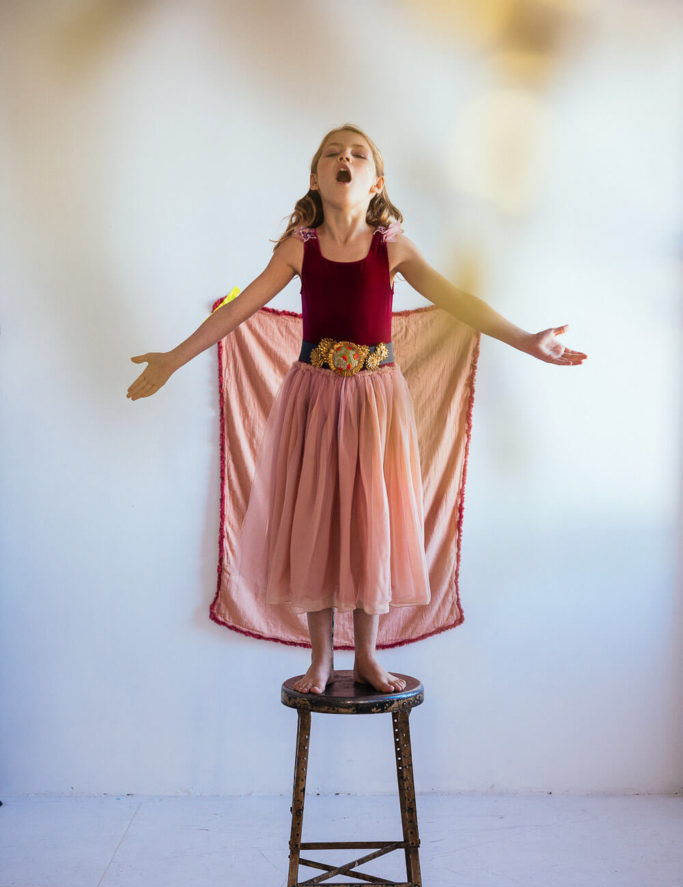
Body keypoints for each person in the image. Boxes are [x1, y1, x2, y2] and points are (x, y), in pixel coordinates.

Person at [127, 122, 586, 697]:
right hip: (314, 398)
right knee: (314, 515)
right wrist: (173, 358)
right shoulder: (301, 246)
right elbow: (239, 309)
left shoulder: (392, 245)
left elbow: (459, 300)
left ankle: (366, 655)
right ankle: (321, 658)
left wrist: (527, 340)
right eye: (332, 154)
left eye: (357, 154)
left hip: (376, 401)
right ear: (317, 177)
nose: (345, 158)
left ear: (375, 181)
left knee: (373, 519)